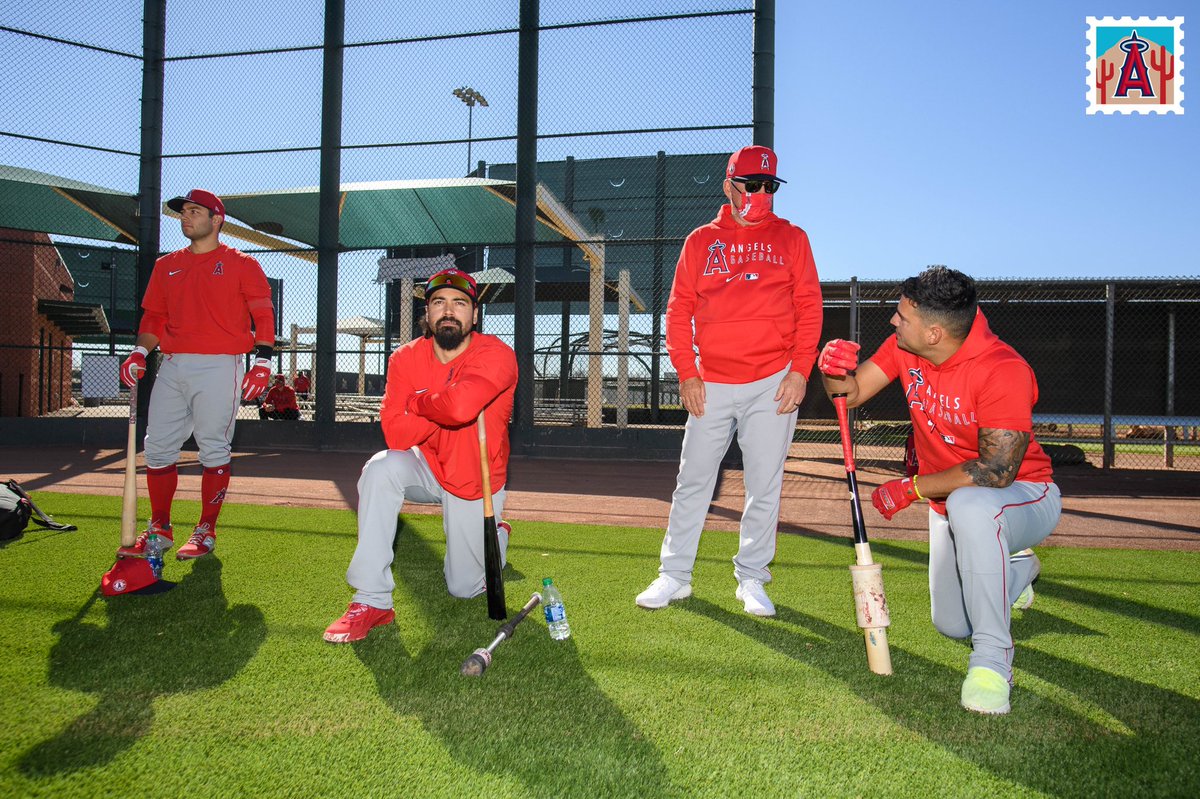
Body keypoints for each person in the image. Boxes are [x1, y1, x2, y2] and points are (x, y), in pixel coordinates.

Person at [817, 265, 1060, 715]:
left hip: (1025, 495)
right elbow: (849, 394)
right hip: (950, 504)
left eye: (901, 317)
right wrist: (831, 370)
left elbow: (997, 470)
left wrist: (911, 489)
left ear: (934, 333)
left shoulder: (1003, 369)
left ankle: (992, 662)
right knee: (951, 624)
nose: (893, 322)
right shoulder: (906, 348)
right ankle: (1019, 570)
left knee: (971, 503)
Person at [635, 145, 823, 617]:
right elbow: (678, 310)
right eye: (751, 184)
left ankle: (752, 579)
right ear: (729, 185)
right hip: (712, 381)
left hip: (774, 381)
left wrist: (801, 370)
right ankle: (674, 576)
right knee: (693, 480)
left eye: (768, 187)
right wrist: (688, 372)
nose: (760, 194)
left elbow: (809, 307)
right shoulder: (701, 240)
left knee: (765, 485)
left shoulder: (793, 238)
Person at [324, 267, 517, 643]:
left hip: (474, 478)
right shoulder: (405, 358)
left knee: (462, 587)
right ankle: (372, 599)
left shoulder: (497, 353)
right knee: (380, 468)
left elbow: (461, 409)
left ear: (474, 315)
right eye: (438, 303)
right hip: (425, 466)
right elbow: (396, 435)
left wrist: (418, 403)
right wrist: (443, 405)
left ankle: (496, 535)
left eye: (460, 303)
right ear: (426, 314)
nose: (449, 311)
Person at [118, 188, 275, 561]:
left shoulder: (242, 264)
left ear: (216, 219)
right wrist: (140, 350)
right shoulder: (165, 265)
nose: (185, 217)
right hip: (172, 364)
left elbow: (262, 313)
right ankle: (160, 526)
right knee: (156, 448)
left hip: (221, 364)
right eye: (182, 212)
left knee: (213, 447)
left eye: (194, 211)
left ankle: (206, 529)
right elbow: (154, 318)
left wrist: (264, 359)